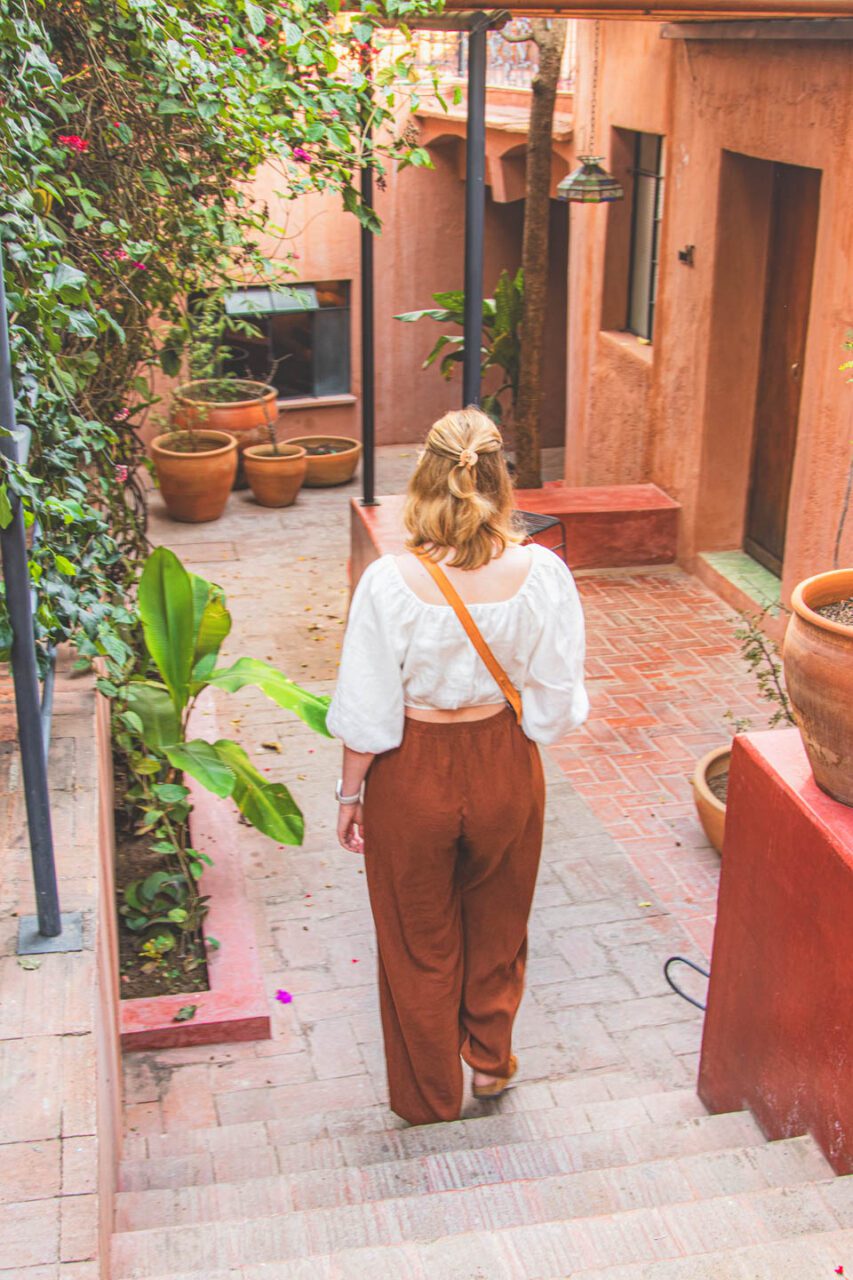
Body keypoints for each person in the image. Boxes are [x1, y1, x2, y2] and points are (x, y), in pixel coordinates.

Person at [326, 406, 588, 1126]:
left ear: (424, 478)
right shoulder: (544, 575)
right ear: (501, 480)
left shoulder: (388, 583)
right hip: (504, 761)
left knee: (417, 941)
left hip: (411, 770)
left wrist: (350, 795)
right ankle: (493, 1065)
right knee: (498, 926)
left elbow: (366, 706)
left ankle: (429, 1095)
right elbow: (558, 706)